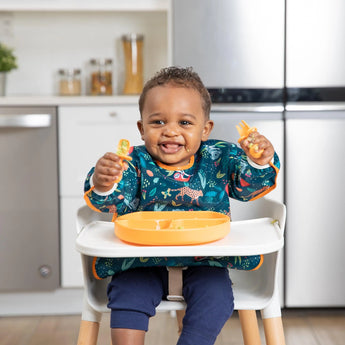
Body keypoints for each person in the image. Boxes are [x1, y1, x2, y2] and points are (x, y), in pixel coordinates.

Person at [84, 66, 280, 345]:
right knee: (127, 294)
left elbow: (248, 187)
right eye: (158, 122)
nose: (171, 132)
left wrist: (258, 161)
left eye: (185, 123)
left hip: (205, 262)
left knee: (216, 299)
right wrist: (104, 182)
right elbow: (110, 199)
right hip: (141, 261)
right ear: (141, 128)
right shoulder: (133, 163)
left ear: (205, 129)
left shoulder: (218, 158)